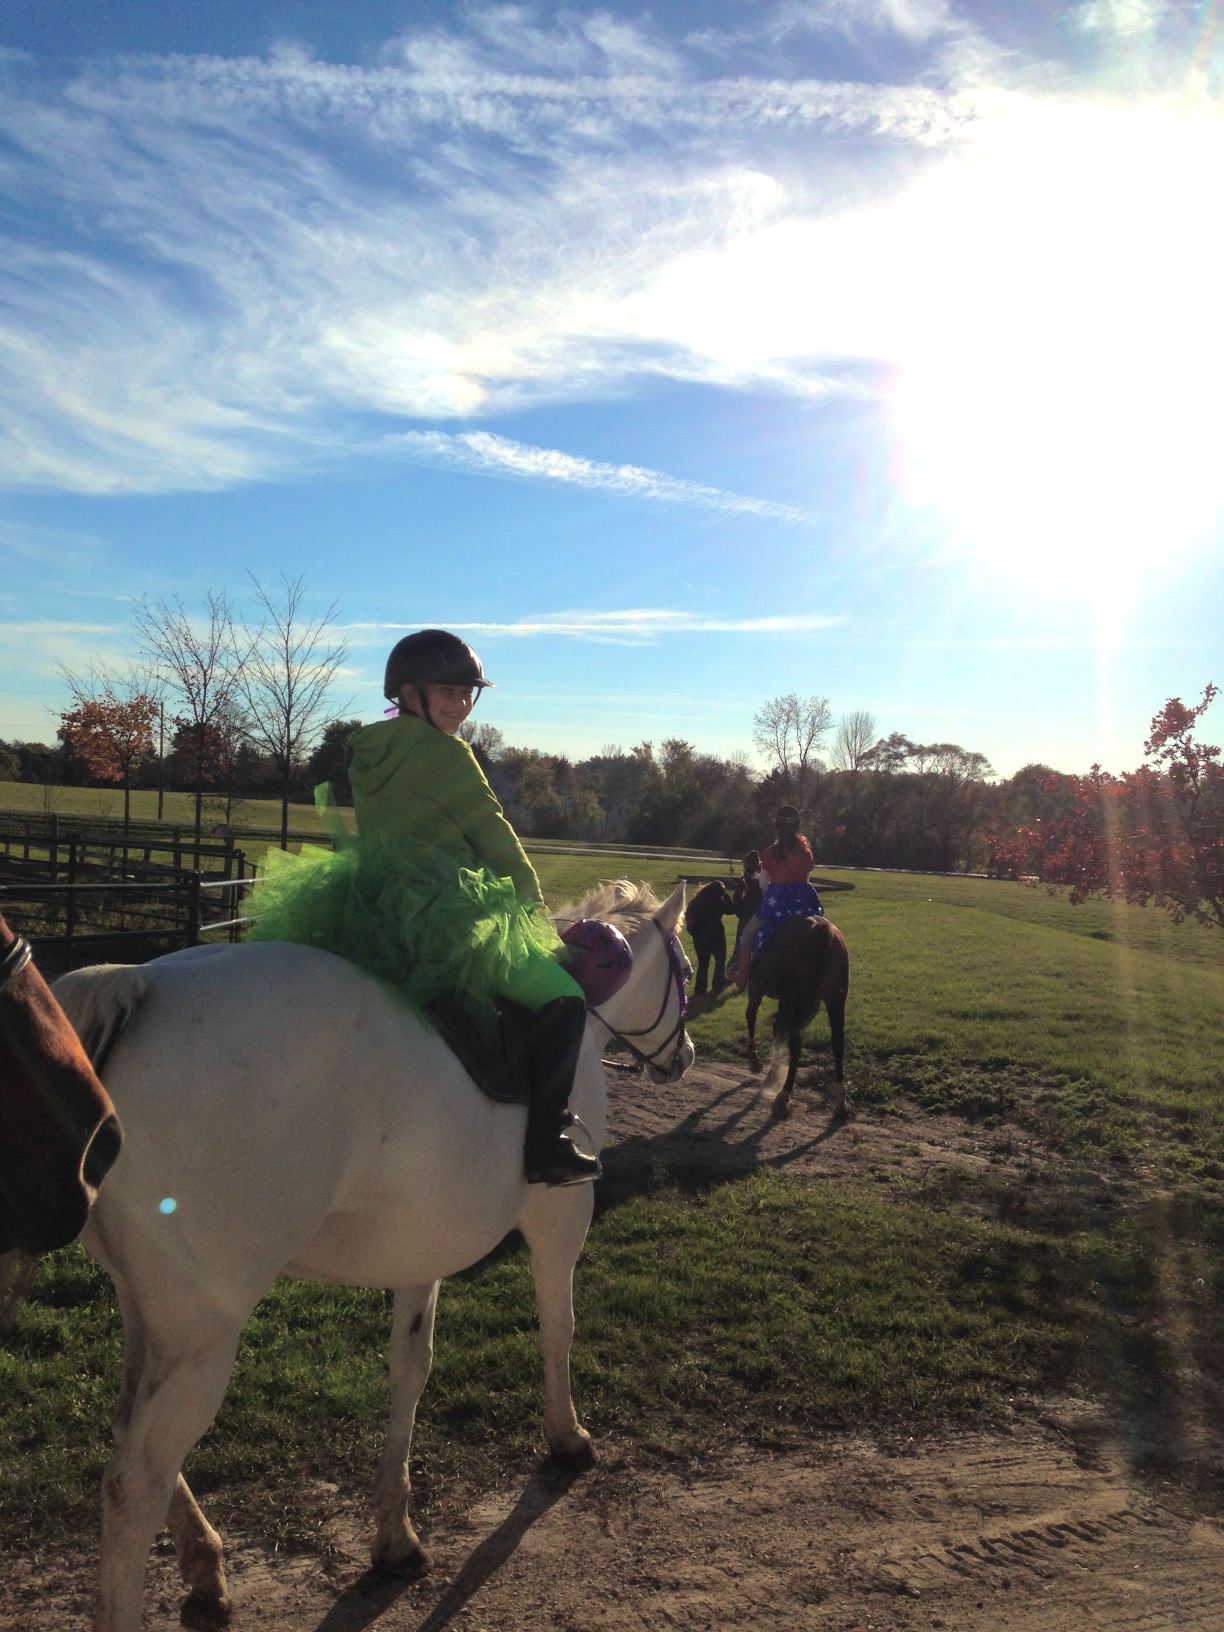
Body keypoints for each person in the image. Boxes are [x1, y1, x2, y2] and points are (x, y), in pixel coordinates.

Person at [247, 629, 599, 1187]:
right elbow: (494, 832)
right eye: (448, 692)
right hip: (445, 908)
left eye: (467, 694)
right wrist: (533, 907)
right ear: (410, 694)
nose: (461, 705)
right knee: (565, 997)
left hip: (373, 904)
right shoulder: (448, 752)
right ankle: (546, 1144)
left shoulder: (367, 751)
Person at [731, 807, 823, 991]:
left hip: (776, 903)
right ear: (797, 826)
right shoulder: (806, 852)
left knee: (747, 933)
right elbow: (806, 878)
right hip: (804, 903)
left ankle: (742, 977)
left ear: (777, 826)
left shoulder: (769, 853)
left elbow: (763, 884)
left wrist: (771, 898)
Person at [684, 878, 732, 997]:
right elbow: (731, 910)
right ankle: (718, 986)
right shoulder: (719, 901)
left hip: (700, 936)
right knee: (720, 961)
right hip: (716, 935)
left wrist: (692, 930)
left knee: (703, 963)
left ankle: (700, 991)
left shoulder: (697, 901)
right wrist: (727, 898)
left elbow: (688, 915)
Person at [729, 851, 762, 964]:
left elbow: (737, 897)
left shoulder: (746, 877)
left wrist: (739, 909)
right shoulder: (763, 876)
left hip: (746, 916)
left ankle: (731, 970)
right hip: (760, 916)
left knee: (739, 948)